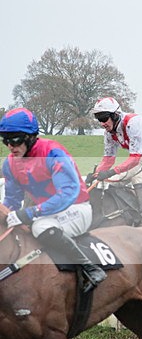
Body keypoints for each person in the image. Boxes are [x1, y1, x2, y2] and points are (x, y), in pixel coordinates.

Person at [0, 108, 106, 292]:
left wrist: (30, 213)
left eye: (15, 139)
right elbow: (11, 201)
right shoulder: (10, 164)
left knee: (40, 227)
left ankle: (90, 268)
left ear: (31, 136)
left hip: (76, 208)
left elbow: (67, 194)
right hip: (46, 213)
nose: (10, 145)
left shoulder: (53, 153)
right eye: (5, 140)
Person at [88, 97, 142, 226]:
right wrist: (96, 175)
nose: (102, 123)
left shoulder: (133, 123)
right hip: (141, 157)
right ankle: (131, 211)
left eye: (104, 118)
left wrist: (110, 172)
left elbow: (134, 159)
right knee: (112, 181)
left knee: (138, 180)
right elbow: (108, 160)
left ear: (115, 115)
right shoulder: (108, 133)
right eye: (99, 119)